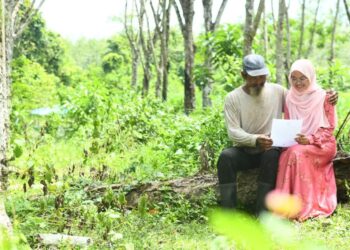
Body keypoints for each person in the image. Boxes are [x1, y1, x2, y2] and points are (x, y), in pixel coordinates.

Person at [217, 54, 337, 214]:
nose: (259, 81)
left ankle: (262, 212)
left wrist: (329, 96)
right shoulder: (232, 98)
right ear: (243, 75)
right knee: (225, 157)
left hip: (269, 149)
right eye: (254, 78)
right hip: (246, 149)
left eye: (262, 77)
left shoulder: (278, 91)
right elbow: (233, 132)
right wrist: (255, 140)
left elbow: (303, 95)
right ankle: (228, 213)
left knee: (272, 155)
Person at [275, 59, 337, 221]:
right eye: (294, 78)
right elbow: (290, 124)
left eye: (302, 78)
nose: (298, 82)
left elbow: (329, 129)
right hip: (299, 143)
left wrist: (309, 139)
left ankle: (303, 206)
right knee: (285, 155)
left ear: (310, 77)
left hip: (322, 144)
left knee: (296, 153)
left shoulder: (324, 97)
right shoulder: (290, 98)